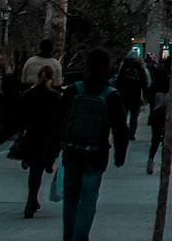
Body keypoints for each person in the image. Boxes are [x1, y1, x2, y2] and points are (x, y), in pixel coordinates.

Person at [60, 48, 131, 241]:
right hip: (96, 153)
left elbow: (59, 120)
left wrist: (55, 148)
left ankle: (69, 236)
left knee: (70, 198)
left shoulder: (74, 90)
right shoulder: (111, 95)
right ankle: (80, 238)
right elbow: (120, 129)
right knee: (88, 199)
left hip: (72, 152)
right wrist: (120, 155)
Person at [6, 60, 63, 218]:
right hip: (48, 138)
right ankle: (32, 199)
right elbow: (60, 121)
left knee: (34, 170)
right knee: (38, 169)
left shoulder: (28, 95)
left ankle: (32, 197)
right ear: (52, 78)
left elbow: (17, 117)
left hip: (32, 135)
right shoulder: (56, 97)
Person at [114, 51, 148, 141]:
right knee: (134, 117)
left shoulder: (123, 67)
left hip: (124, 95)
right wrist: (144, 95)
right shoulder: (139, 67)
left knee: (123, 115)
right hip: (135, 96)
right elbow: (144, 82)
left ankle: (123, 131)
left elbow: (119, 80)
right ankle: (132, 133)